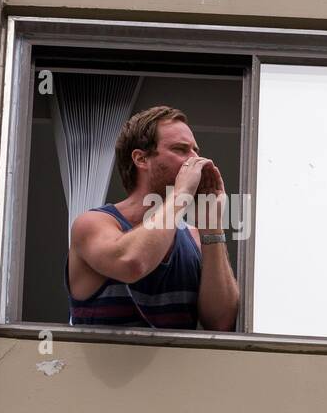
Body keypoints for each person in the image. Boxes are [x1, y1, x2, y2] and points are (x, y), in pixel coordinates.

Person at [65, 105, 239, 330]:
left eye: (195, 151)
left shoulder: (195, 238)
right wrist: (181, 194)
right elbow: (131, 264)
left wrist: (212, 227)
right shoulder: (92, 224)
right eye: (181, 150)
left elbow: (222, 323)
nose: (196, 160)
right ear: (141, 159)